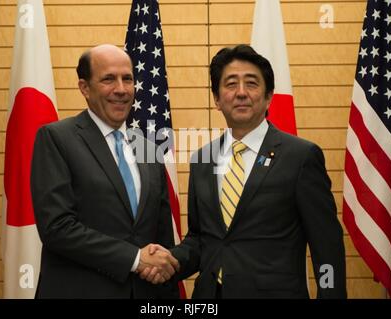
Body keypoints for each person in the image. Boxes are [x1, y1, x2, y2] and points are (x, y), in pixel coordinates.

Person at [147, 44, 347, 298]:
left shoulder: (301, 157)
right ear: (217, 99)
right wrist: (166, 262)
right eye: (230, 84)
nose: (241, 93)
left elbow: (326, 247)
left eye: (251, 83)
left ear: (269, 96)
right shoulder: (202, 160)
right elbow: (201, 239)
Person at [30, 44, 179, 298]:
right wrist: (134, 258)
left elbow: (161, 232)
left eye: (127, 79)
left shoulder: (149, 147)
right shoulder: (56, 139)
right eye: (108, 79)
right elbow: (57, 227)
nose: (120, 90)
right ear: (84, 88)